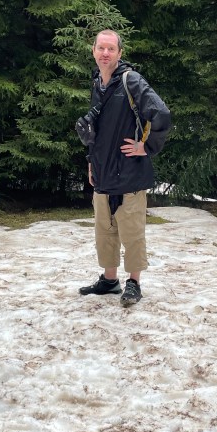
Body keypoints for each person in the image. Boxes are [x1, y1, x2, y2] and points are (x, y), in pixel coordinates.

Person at [77, 29, 171, 306]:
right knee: (104, 230)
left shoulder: (131, 81)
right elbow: (96, 131)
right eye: (101, 48)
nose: (105, 53)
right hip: (103, 171)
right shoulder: (98, 83)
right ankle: (109, 280)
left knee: (132, 233)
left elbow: (161, 113)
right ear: (93, 51)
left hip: (129, 171)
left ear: (120, 53)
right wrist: (91, 162)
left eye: (111, 49)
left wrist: (147, 146)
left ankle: (134, 283)